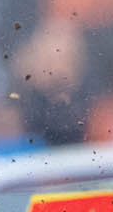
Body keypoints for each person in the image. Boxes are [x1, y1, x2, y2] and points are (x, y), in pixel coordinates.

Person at [9, 19, 90, 147]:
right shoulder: (18, 110)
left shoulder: (93, 106)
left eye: (64, 59)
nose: (57, 69)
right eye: (50, 60)